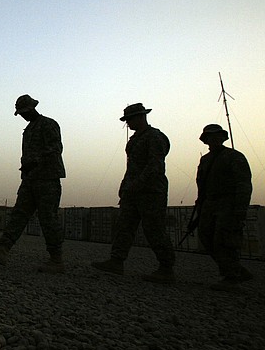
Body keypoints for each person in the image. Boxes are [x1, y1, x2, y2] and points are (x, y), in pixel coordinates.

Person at [0, 95, 66, 273]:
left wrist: (34, 161)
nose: (23, 116)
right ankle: (2, 250)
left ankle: (56, 259)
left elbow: (55, 148)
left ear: (32, 108)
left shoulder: (49, 124)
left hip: (47, 179)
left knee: (48, 218)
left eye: (24, 112)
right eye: (21, 113)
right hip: (30, 180)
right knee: (19, 214)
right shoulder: (28, 130)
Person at [92, 103, 176, 283]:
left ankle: (166, 267)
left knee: (154, 229)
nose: (127, 123)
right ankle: (116, 261)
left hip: (151, 191)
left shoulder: (155, 137)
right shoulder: (135, 139)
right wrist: (125, 187)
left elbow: (155, 166)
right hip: (132, 191)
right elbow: (132, 167)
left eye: (129, 119)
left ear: (141, 117)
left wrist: (137, 184)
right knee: (124, 226)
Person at [194, 124, 254, 292]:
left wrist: (240, 208)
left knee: (225, 239)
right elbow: (201, 183)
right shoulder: (205, 159)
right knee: (206, 237)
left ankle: (232, 277)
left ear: (222, 137)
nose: (213, 139)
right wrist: (201, 203)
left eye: (216, 136)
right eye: (209, 136)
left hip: (228, 203)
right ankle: (235, 270)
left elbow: (243, 183)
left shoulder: (234, 157)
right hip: (209, 203)